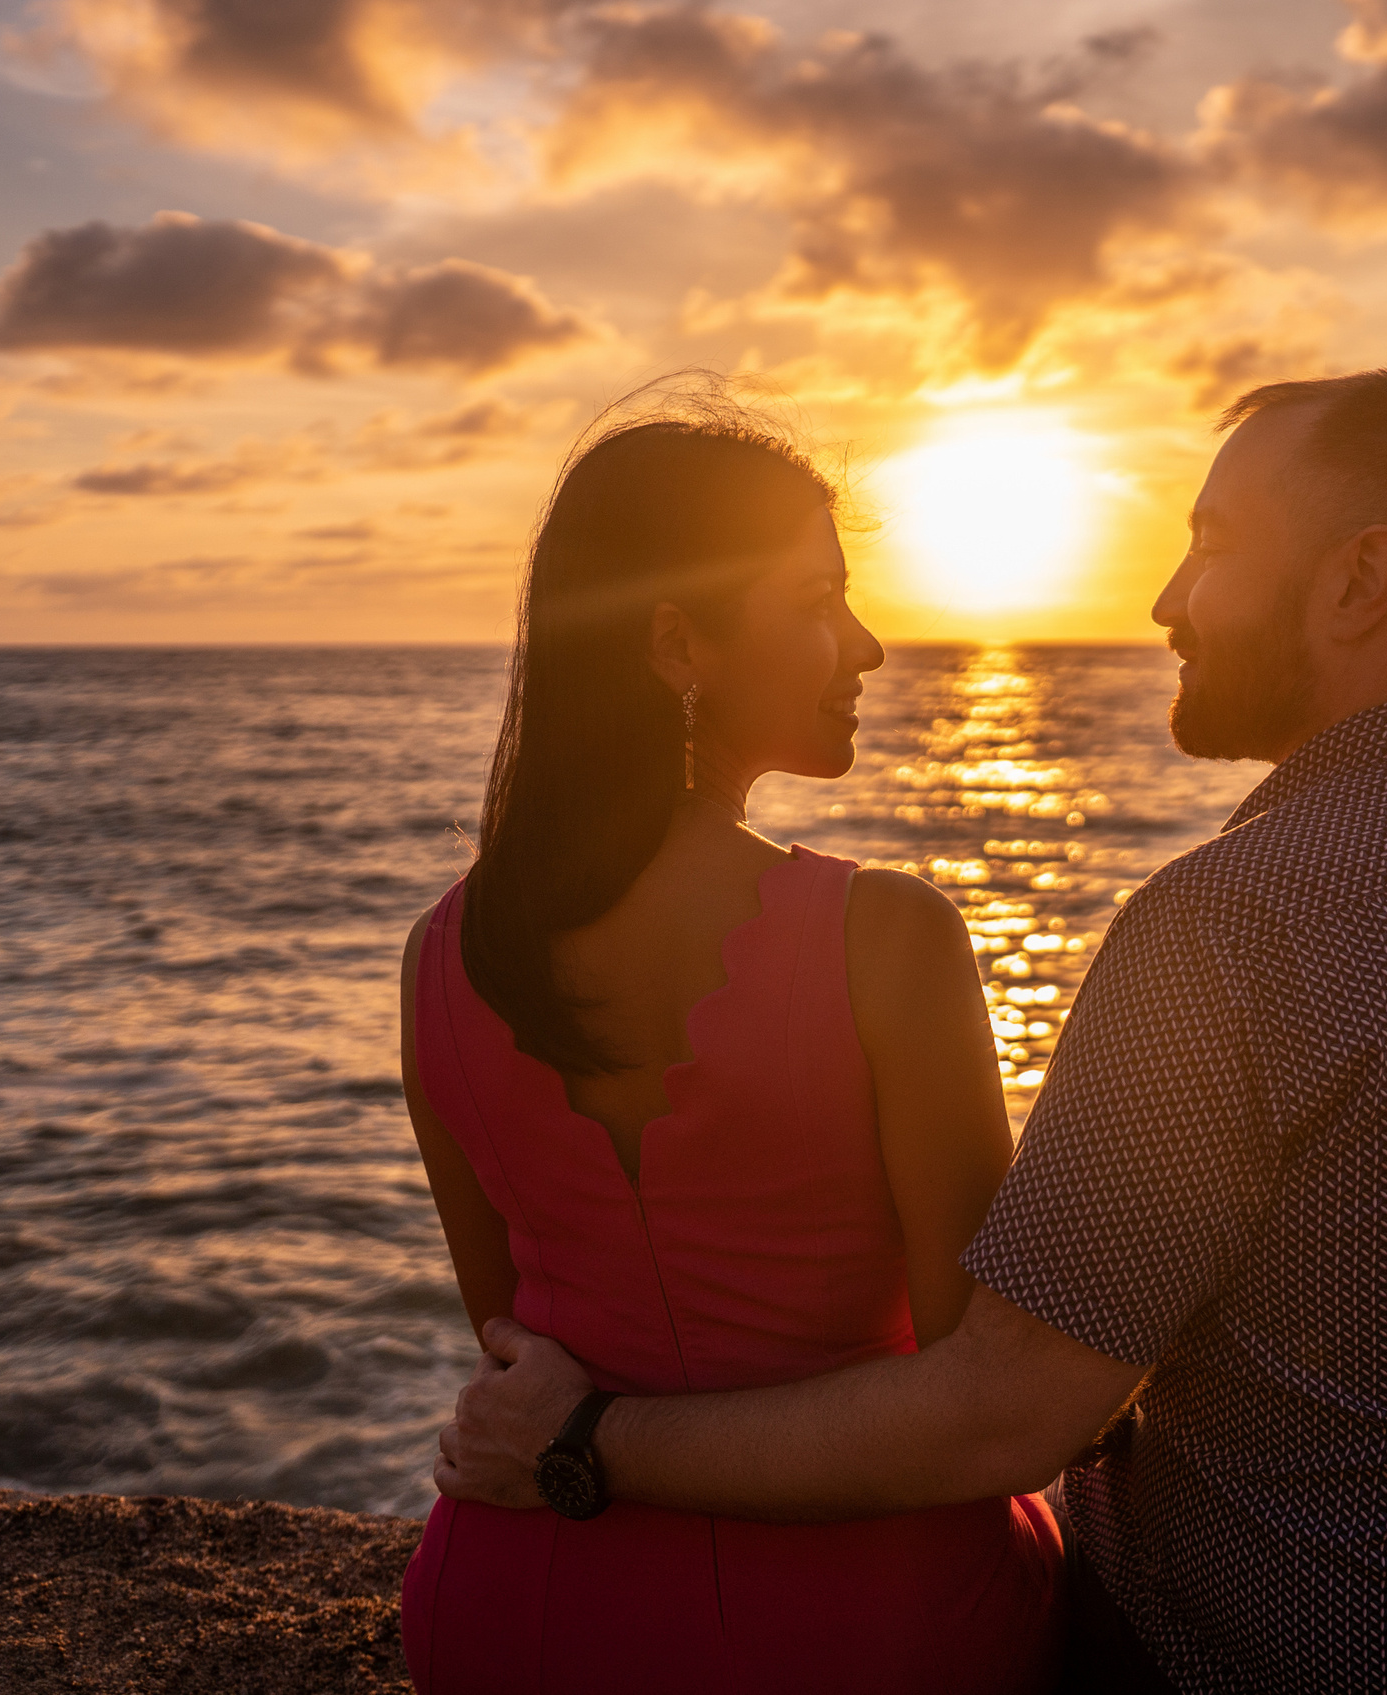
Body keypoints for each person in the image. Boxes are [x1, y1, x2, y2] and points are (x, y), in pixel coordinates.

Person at [436, 369, 1387, 1693]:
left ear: (1363, 581)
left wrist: (588, 1438)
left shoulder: (1232, 928)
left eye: (1215, 544)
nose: (1167, 599)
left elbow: (1004, 1413)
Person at [395, 392, 1062, 1693]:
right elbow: (989, 1410)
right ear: (676, 643)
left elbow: (512, 1343)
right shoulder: (890, 938)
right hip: (868, 1631)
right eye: (819, 598)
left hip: (522, 1608)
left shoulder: (442, 954)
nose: (866, 645)